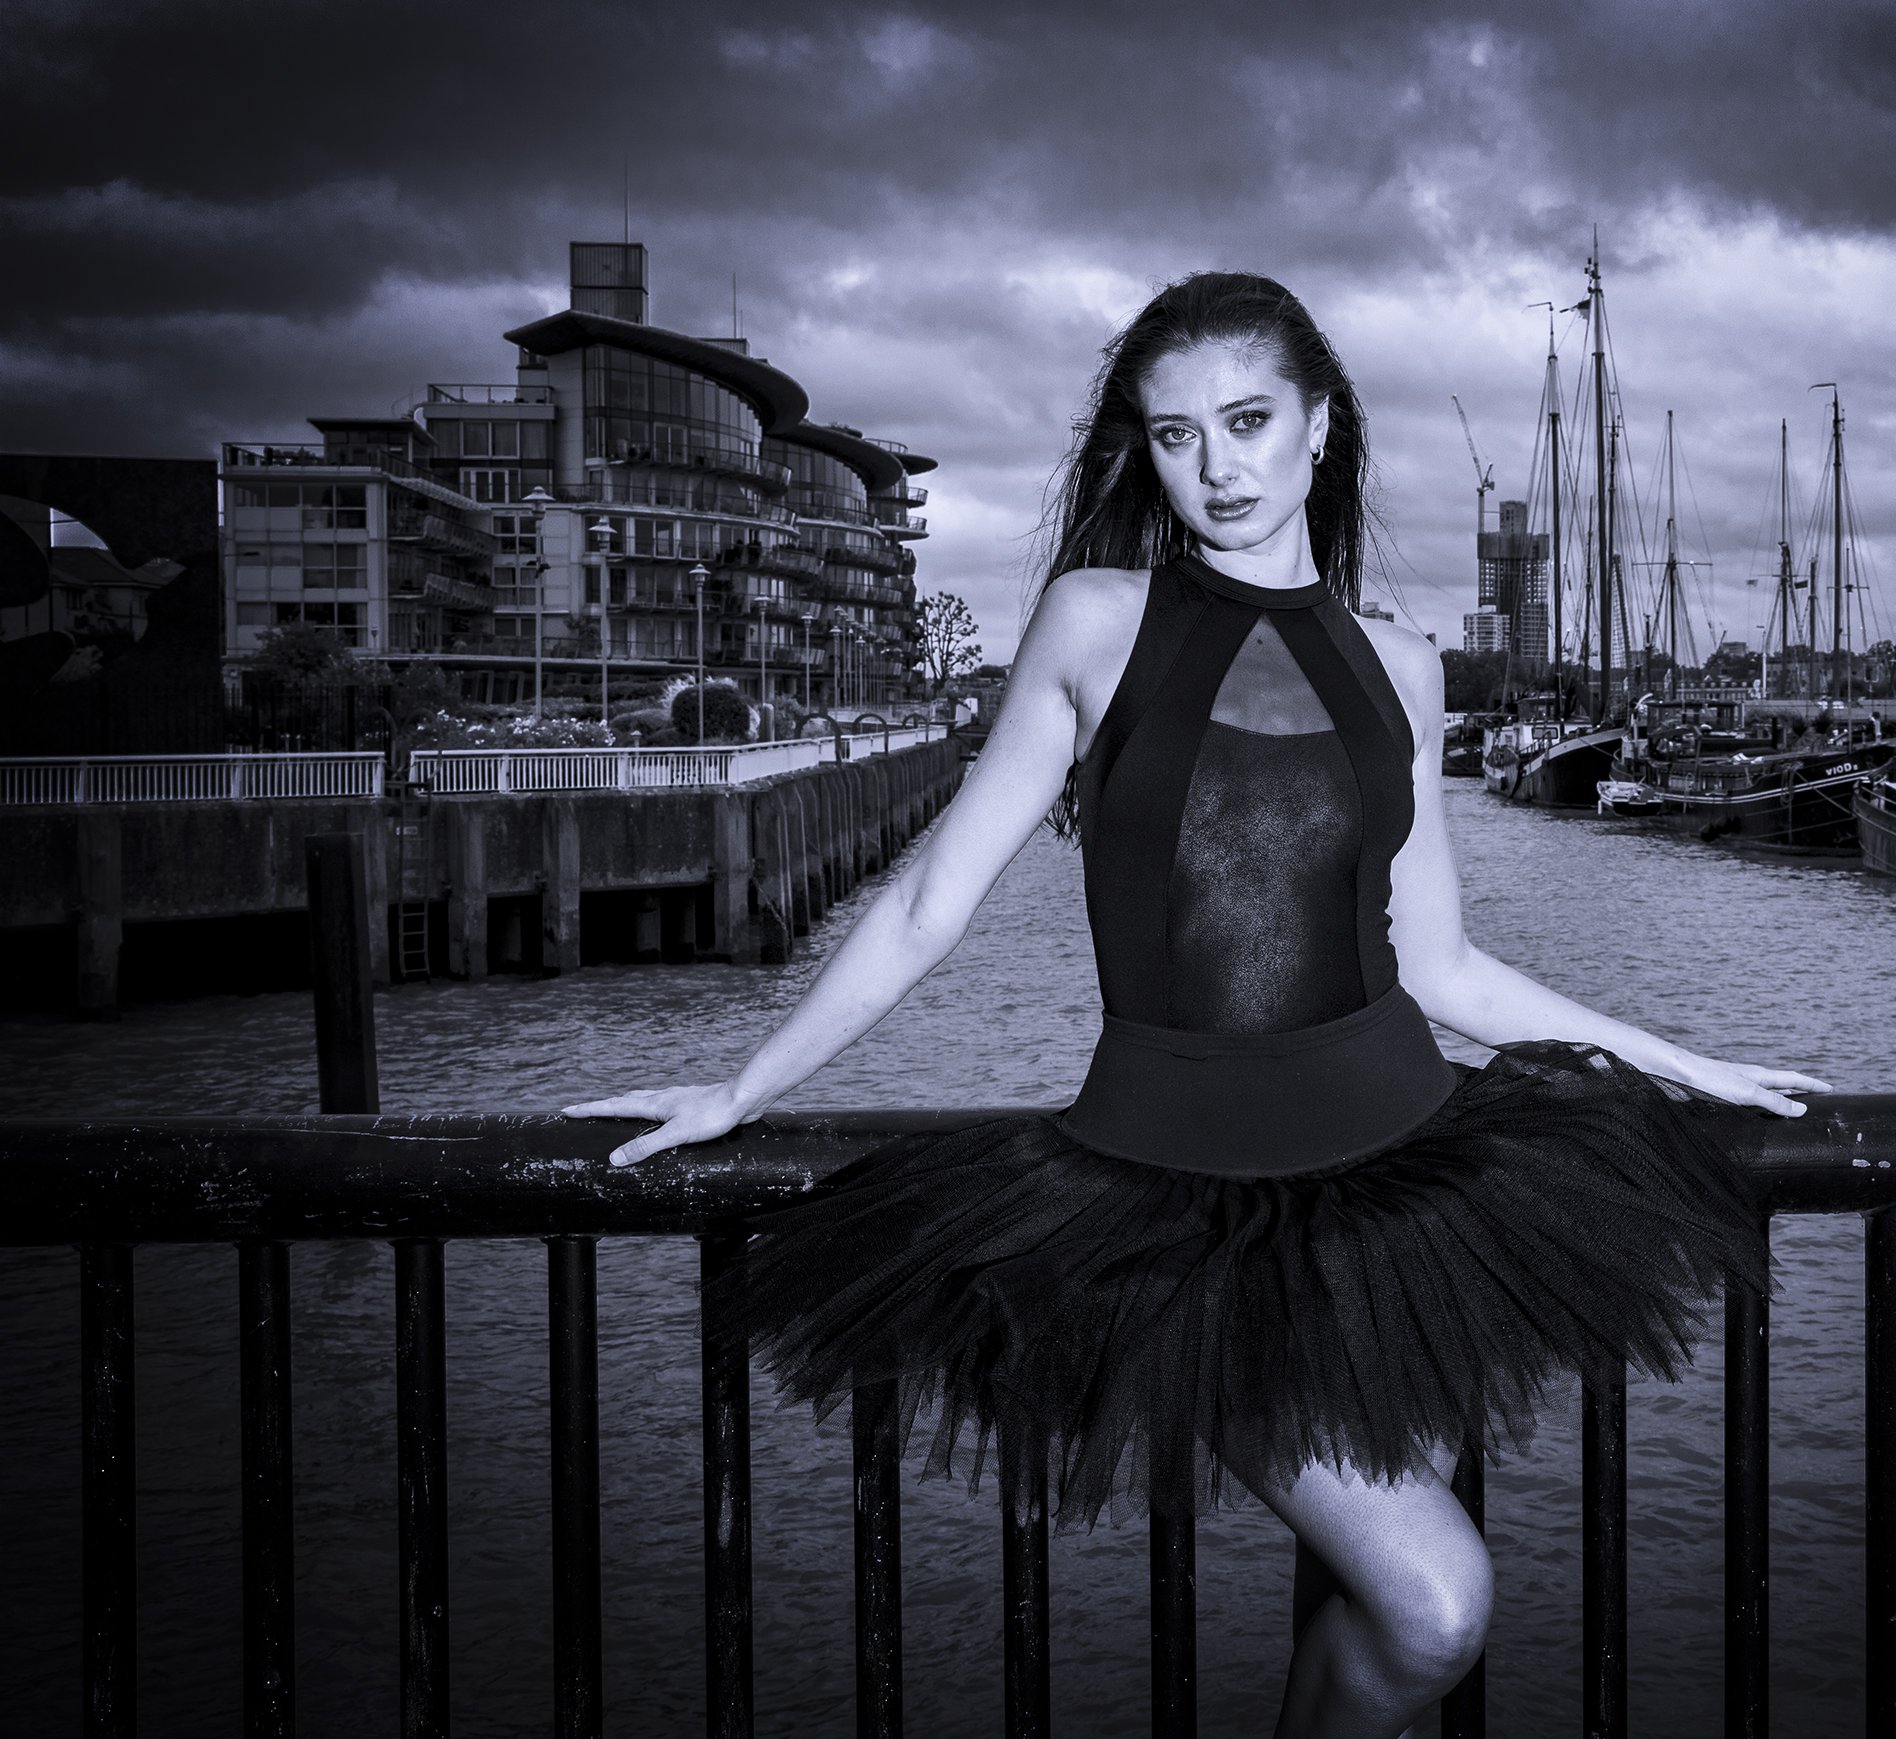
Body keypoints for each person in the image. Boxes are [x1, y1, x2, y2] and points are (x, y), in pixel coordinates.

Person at [565, 273, 1827, 1739]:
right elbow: (926, 905)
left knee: (1404, 1613)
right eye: (1177, 436)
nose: (1218, 467)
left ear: (1320, 424)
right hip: (1173, 1212)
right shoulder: (1097, 623)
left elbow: (1444, 969)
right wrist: (741, 1087)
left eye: (1247, 422)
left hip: (1407, 1187)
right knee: (1434, 1604)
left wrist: (1685, 1062)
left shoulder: (1403, 668)